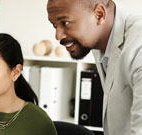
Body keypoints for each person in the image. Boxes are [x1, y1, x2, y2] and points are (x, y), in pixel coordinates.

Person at [47, 0, 142, 134]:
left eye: (65, 23)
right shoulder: (99, 37)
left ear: (99, 14)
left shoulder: (138, 44)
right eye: (54, 25)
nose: (58, 36)